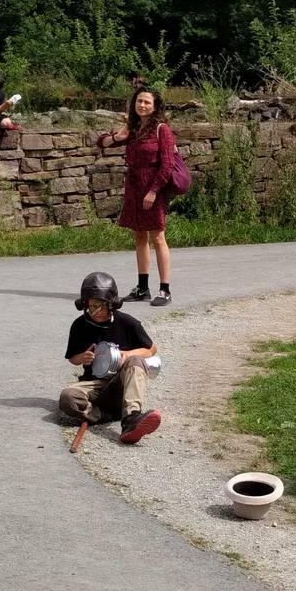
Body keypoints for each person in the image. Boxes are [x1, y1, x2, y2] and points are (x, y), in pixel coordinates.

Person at [59, 271, 162, 444]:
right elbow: (72, 358)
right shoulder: (79, 326)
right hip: (93, 384)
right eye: (92, 306)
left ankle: (131, 418)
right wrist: (82, 358)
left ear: (112, 303)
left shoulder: (127, 323)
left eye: (102, 305)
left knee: (136, 361)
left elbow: (151, 349)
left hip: (119, 382)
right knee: (67, 398)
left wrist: (128, 354)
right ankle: (104, 414)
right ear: (85, 304)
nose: (97, 311)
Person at [97, 84, 174, 307]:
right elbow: (101, 142)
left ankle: (165, 290)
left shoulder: (162, 129)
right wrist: (117, 136)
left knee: (158, 237)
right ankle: (142, 288)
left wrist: (154, 191)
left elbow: (167, 165)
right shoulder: (132, 129)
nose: (142, 105)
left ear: (155, 106)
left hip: (153, 188)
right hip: (134, 187)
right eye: (139, 101)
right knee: (140, 236)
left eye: (147, 102)